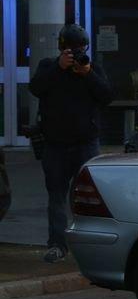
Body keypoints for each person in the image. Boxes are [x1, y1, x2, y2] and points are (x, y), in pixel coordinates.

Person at [30, 24, 113, 262]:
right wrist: (59, 68)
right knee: (56, 196)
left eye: (80, 49)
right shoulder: (48, 66)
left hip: (86, 144)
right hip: (55, 145)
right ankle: (57, 244)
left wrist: (87, 74)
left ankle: (91, 246)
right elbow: (36, 88)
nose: (76, 54)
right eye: (71, 50)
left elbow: (107, 95)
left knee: (90, 198)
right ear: (62, 49)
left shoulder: (92, 68)